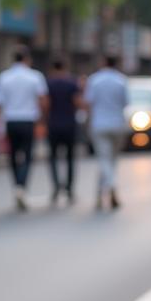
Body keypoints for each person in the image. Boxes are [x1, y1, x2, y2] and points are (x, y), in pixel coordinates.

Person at [0, 48, 48, 211]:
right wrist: (42, 120)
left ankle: (17, 184)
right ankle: (22, 186)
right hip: (28, 120)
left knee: (13, 155)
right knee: (27, 155)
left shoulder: (4, 77)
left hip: (10, 120)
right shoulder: (35, 76)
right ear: (27, 59)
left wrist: (0, 122)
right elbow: (42, 100)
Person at [84, 54, 129, 211]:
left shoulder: (94, 80)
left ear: (103, 62)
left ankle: (106, 189)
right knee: (110, 161)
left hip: (99, 124)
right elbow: (125, 103)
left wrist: (88, 123)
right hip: (117, 124)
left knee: (104, 160)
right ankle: (107, 191)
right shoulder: (121, 80)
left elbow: (88, 103)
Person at [45, 57, 80, 204]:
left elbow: (45, 104)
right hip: (69, 124)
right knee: (70, 157)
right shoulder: (72, 83)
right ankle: (69, 188)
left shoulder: (48, 83)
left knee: (53, 157)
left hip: (53, 124)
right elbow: (77, 102)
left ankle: (56, 186)